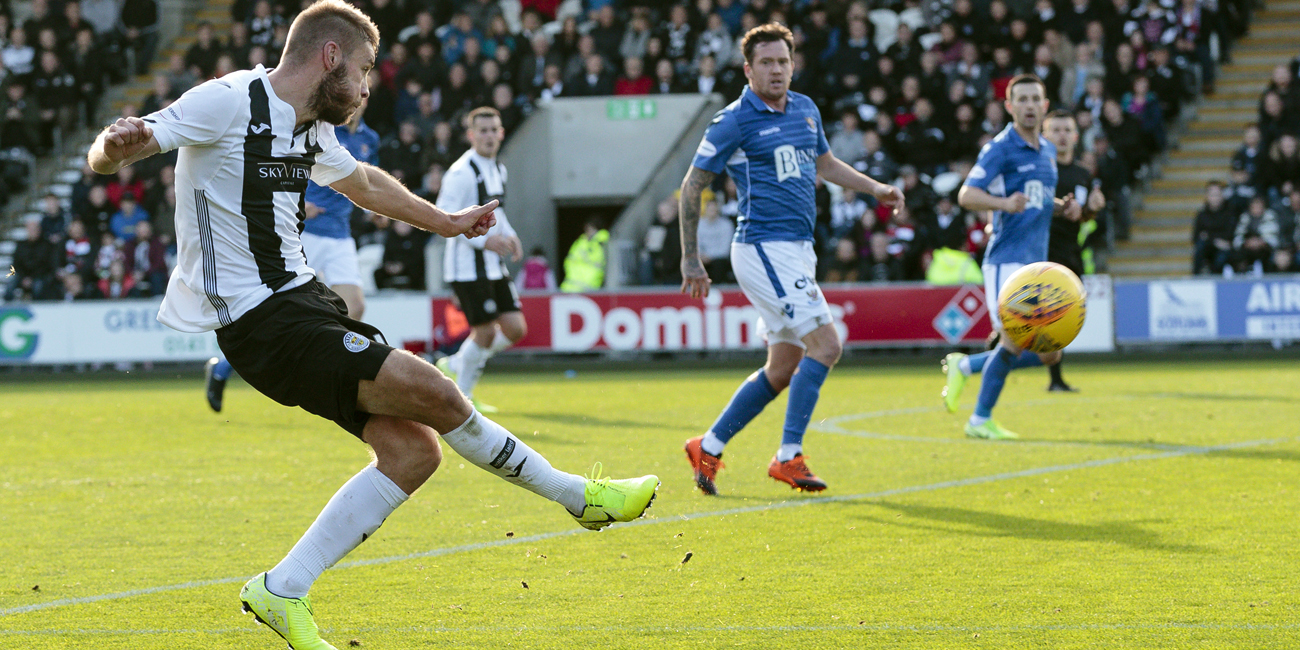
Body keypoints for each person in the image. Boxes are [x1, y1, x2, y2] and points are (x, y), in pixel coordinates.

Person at [85, 4, 658, 649]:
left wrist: (445, 222)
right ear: (330, 57)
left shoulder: (309, 128)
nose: (364, 87)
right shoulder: (226, 101)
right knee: (438, 393)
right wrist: (113, 144)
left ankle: (283, 588)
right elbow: (114, 153)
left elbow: (362, 183)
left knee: (415, 451)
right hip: (260, 320)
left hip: (305, 302)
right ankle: (578, 496)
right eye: (361, 71)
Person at [678, 23, 904, 496]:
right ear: (748, 68)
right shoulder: (734, 120)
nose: (777, 69)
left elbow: (825, 164)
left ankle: (710, 445)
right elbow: (693, 186)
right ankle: (788, 457)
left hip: (798, 249)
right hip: (762, 246)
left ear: (792, 64)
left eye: (783, 61)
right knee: (827, 346)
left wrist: (875, 188)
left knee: (782, 367)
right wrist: (691, 258)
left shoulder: (805, 109)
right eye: (766, 62)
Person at [204, 94, 380, 412]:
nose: (358, 98)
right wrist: (300, 203)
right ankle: (222, 368)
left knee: (354, 308)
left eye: (363, 94)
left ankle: (326, 375)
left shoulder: (370, 139)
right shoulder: (318, 130)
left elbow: (364, 184)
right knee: (276, 311)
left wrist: (374, 212)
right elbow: (284, 169)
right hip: (306, 233)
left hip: (341, 235)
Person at [940, 74, 1076, 440]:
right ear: (1010, 106)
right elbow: (967, 195)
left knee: (1051, 353)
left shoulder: (1047, 150)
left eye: (1036, 99)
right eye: (1023, 99)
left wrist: (1065, 208)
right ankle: (979, 419)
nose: (1030, 105)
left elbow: (1039, 200)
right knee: (1014, 343)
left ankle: (966, 366)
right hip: (1006, 262)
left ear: (1045, 107)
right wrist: (1001, 204)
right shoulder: (1000, 148)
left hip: (1037, 263)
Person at [431, 106, 525, 414]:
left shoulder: (499, 168)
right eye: (482, 130)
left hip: (492, 266)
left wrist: (511, 236)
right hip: (466, 267)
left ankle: (459, 361)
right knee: (484, 333)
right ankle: (466, 397)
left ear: (501, 133)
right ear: (471, 135)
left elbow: (501, 213)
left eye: (493, 130)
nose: (488, 136)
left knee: (516, 329)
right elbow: (444, 220)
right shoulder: (460, 173)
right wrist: (486, 241)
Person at [1041, 110, 1104, 392]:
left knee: (1059, 323)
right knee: (1038, 320)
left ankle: (1055, 380)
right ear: (1045, 135)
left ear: (1076, 137)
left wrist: (1093, 208)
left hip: (1069, 254)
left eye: (1067, 130)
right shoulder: (1040, 170)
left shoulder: (1082, 174)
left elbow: (1083, 218)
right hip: (1038, 254)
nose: (1062, 135)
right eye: (1056, 130)